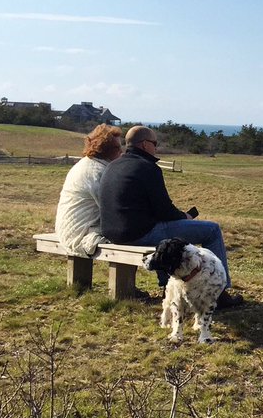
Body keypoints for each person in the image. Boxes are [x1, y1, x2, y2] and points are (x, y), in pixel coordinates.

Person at [99, 125, 243, 307]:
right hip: (138, 234)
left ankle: (166, 287)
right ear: (144, 144)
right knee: (212, 230)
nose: (156, 147)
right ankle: (220, 292)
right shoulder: (148, 167)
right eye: (154, 143)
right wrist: (185, 216)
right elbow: (164, 211)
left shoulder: (113, 166)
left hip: (113, 234)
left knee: (166, 234)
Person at [54, 124, 123, 257]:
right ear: (104, 149)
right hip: (80, 235)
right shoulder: (97, 172)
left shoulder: (87, 164)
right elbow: (113, 211)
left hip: (71, 230)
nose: (122, 151)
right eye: (117, 148)